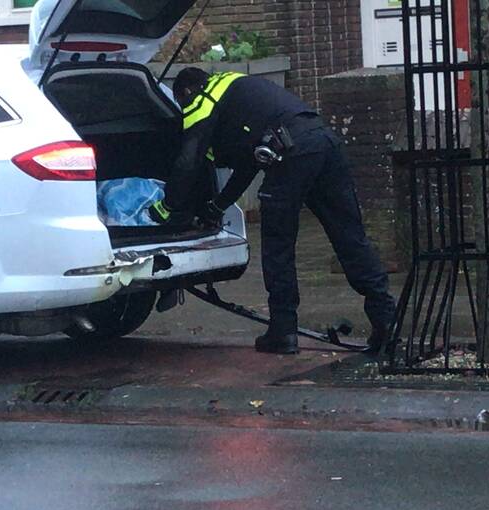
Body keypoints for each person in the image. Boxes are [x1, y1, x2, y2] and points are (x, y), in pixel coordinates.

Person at [146, 67, 396, 355]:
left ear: (186, 93)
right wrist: (218, 206)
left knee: (278, 243)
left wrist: (167, 207)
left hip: (291, 153)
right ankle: (385, 320)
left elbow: (188, 160)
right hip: (323, 141)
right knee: (350, 236)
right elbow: (247, 166)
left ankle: (283, 330)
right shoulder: (236, 87)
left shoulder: (201, 100)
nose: (185, 110)